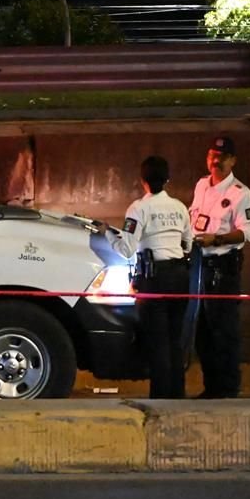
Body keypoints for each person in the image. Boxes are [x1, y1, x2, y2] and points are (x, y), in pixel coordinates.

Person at [94, 156, 192, 399]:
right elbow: (188, 244)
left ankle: (160, 399)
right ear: (167, 179)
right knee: (175, 340)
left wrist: (107, 233)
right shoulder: (180, 207)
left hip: (154, 279)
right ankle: (177, 396)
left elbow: (127, 249)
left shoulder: (138, 208)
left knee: (157, 342)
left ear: (142, 181)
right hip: (180, 277)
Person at [188, 136, 250, 398]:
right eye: (212, 155)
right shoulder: (201, 186)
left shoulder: (240, 193)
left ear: (233, 160)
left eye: (222, 157)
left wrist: (216, 239)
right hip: (199, 265)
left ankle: (228, 389)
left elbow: (248, 232)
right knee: (202, 329)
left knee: (224, 329)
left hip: (223, 267)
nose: (215, 161)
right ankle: (211, 387)